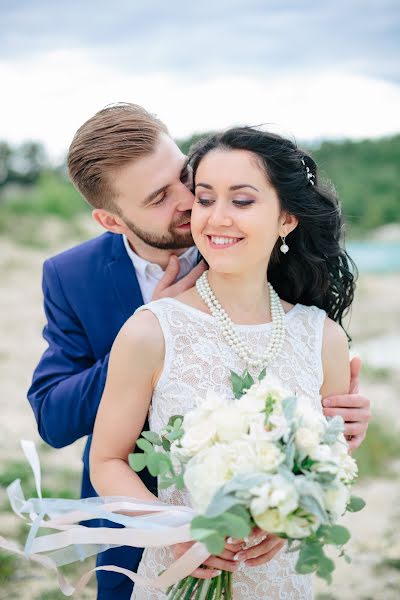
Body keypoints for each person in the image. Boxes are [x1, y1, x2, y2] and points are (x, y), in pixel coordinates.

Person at [27, 104, 371, 600]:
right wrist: (152, 329)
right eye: (160, 197)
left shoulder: (257, 247)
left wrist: (336, 429)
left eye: (185, 176)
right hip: (141, 528)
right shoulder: (75, 277)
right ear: (111, 219)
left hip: (271, 555)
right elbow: (55, 419)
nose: (193, 202)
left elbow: (315, 385)